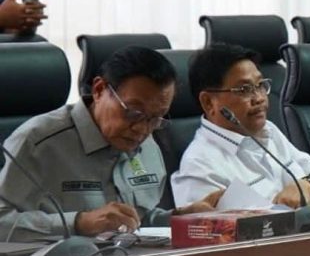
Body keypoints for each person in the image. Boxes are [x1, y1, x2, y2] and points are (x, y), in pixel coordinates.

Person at [0, 46, 220, 242]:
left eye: (156, 118)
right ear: (99, 90)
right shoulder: (39, 142)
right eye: (133, 113)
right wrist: (79, 223)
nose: (142, 130)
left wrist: (181, 217)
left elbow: (136, 221)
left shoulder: (148, 144)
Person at [171, 44, 310, 208]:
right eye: (244, 89)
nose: (259, 98)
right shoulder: (200, 165)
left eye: (261, 85)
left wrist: (307, 186)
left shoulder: (269, 131)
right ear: (208, 102)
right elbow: (205, 229)